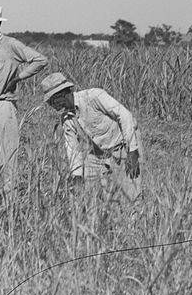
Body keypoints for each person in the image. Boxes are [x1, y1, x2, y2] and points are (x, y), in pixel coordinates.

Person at [0, 4, 49, 191]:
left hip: (3, 107)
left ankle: (8, 200)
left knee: (6, 156)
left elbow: (40, 60)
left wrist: (18, 77)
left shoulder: (10, 45)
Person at [40, 72, 142, 201]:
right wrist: (77, 175)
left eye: (52, 101)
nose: (51, 106)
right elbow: (73, 148)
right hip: (98, 153)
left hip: (122, 145)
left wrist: (132, 151)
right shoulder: (66, 119)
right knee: (88, 194)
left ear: (62, 94)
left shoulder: (94, 97)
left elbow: (124, 115)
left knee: (131, 196)